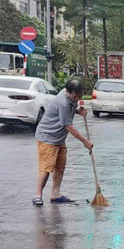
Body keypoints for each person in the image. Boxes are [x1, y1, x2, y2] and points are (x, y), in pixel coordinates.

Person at [33, 76, 92, 206]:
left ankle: (55, 194)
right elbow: (68, 126)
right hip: (48, 137)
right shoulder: (63, 102)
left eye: (79, 96)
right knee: (46, 168)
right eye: (75, 97)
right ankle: (38, 195)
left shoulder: (71, 97)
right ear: (68, 92)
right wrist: (85, 141)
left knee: (60, 167)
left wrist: (78, 111)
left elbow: (67, 112)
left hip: (59, 138)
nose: (77, 99)